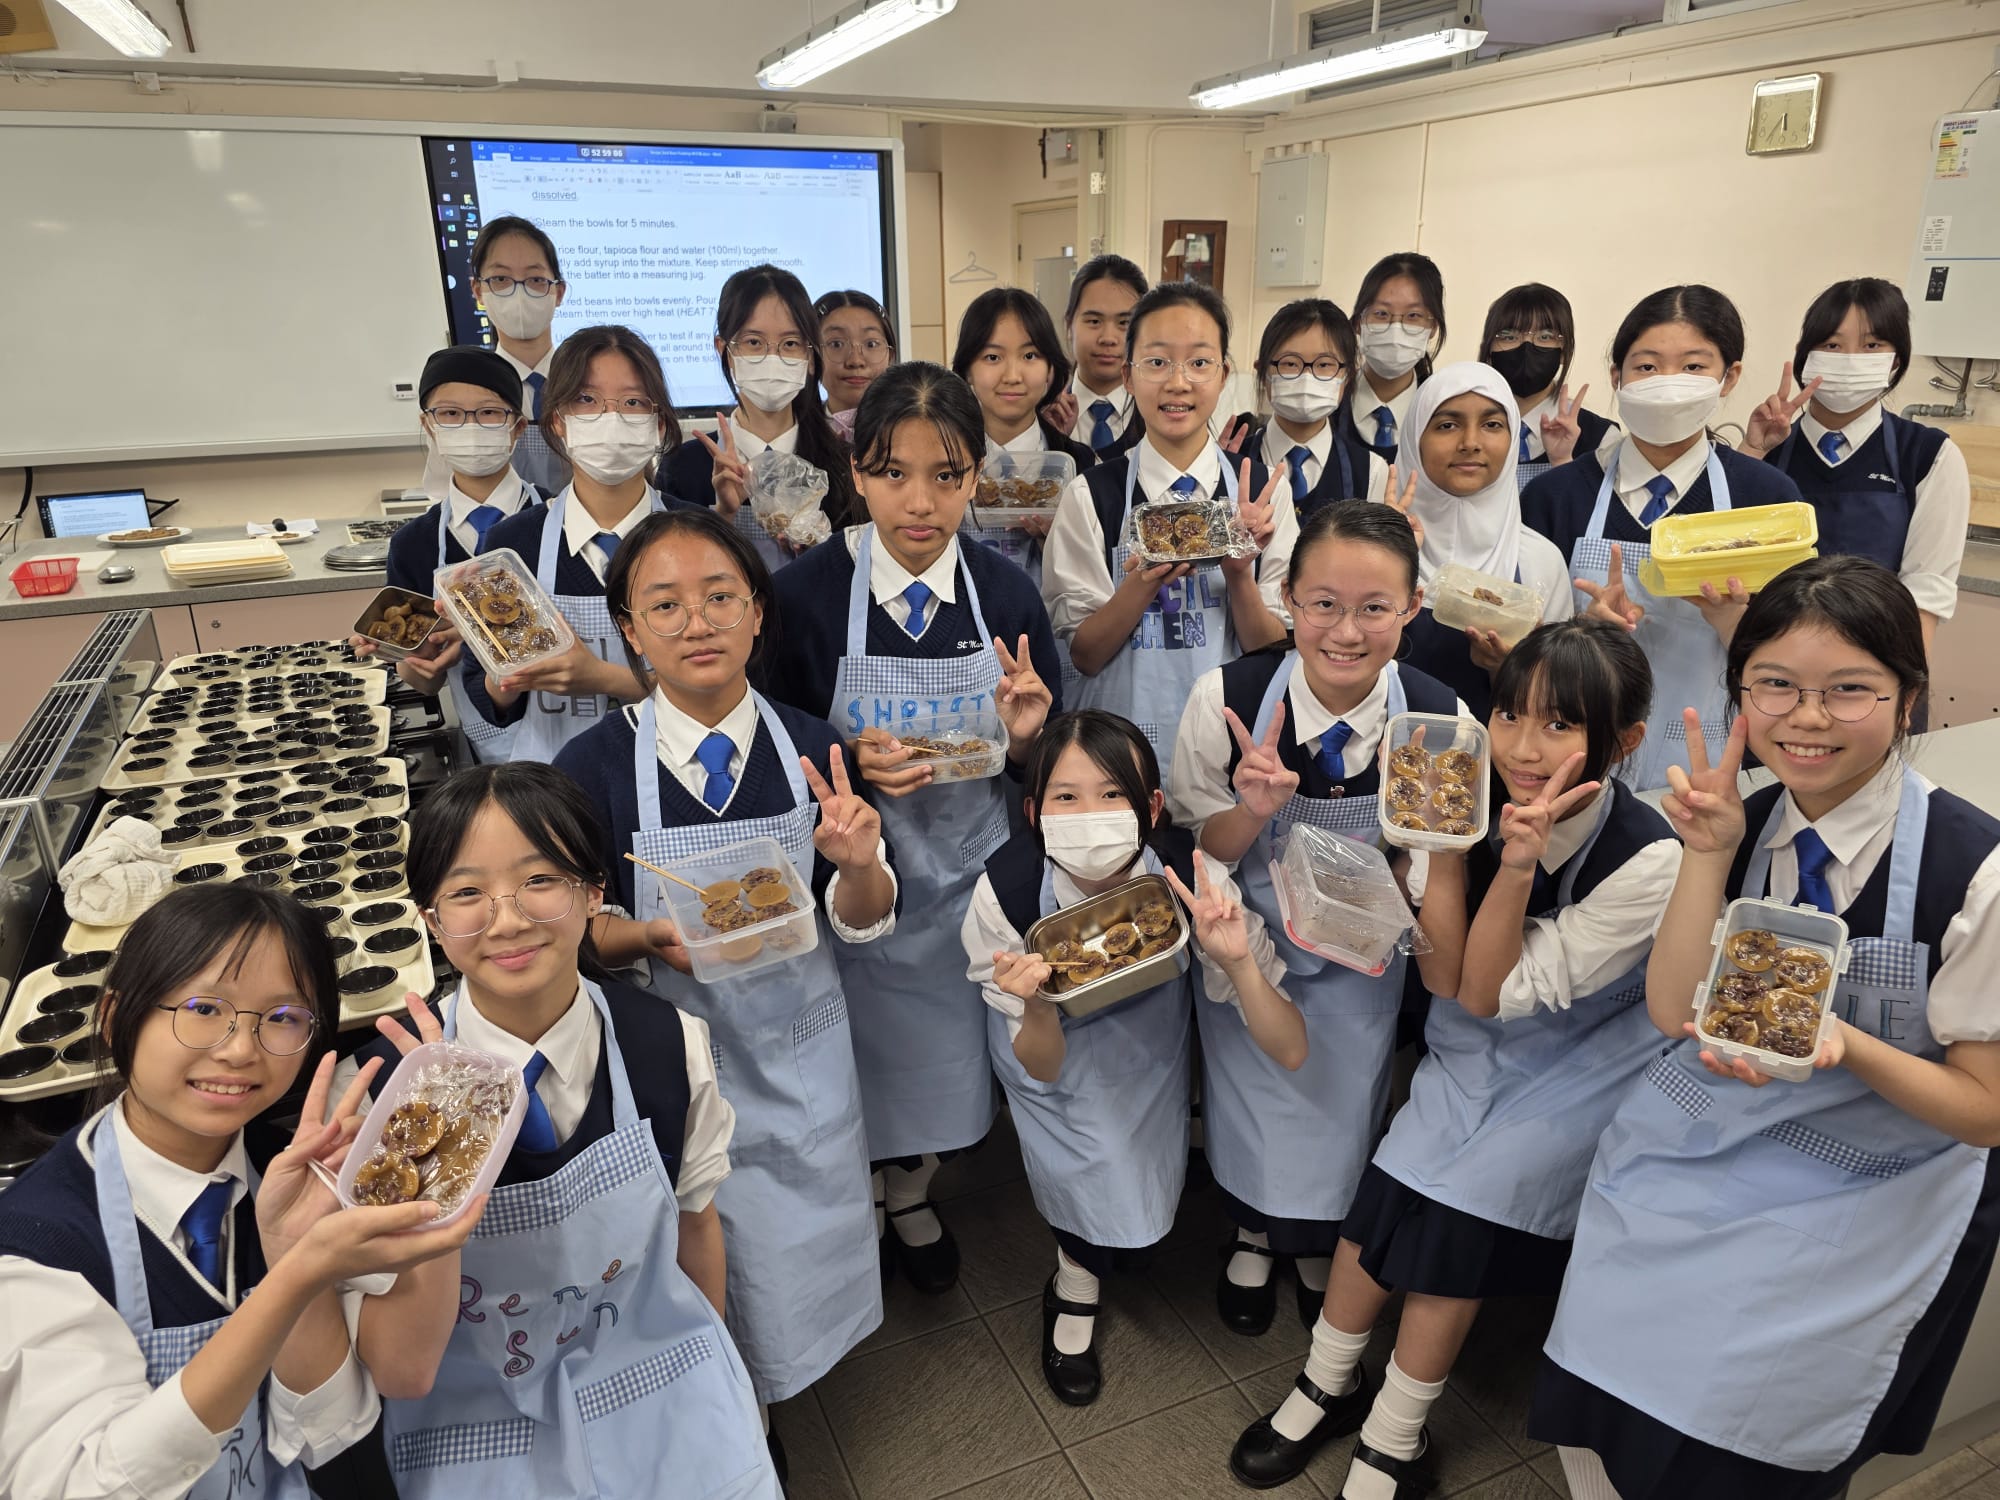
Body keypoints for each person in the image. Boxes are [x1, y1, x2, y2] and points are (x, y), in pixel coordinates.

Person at [1533, 556, 2000, 1500]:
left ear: (1909, 699)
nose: (1808, 717)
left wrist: (1847, 1044)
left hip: (1876, 1183)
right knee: (1604, 1372)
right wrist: (1706, 855)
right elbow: (1676, 1012)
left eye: (1849, 690)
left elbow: (1985, 1111)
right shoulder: (1736, 820)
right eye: (1775, 685)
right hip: (1709, 1143)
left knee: (1738, 1433)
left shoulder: (1976, 870)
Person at [1231, 620, 1677, 1496]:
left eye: (1560, 724)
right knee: (1389, 1185)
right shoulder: (1452, 795)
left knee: (1459, 1207)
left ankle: (1396, 1433)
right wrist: (1439, 854)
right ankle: (1327, 1382)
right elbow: (1442, 979)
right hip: (1475, 1050)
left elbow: (1485, 990)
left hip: (1584, 1071)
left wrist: (1512, 871)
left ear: (1623, 741)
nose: (1523, 748)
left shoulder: (1649, 859)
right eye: (1510, 715)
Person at [552, 507, 890, 1432]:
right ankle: (727, 1414)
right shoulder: (590, 768)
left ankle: (776, 1391)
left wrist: (859, 863)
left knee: (792, 1246)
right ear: (629, 630)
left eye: (720, 598)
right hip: (669, 1055)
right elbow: (573, 934)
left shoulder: (815, 745)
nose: (696, 624)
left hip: (800, 1047)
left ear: (758, 614)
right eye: (664, 605)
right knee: (693, 1242)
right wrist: (643, 939)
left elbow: (863, 920)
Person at [364, 761, 781, 1498]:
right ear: (430, 920)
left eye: (540, 880)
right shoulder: (384, 1090)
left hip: (649, 1367)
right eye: (467, 892)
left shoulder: (668, 1045)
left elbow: (695, 1221)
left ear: (593, 892)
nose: (507, 920)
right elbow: (396, 1361)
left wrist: (716, 1370)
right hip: (473, 1407)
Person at [0, 885, 480, 1500]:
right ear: (118, 1019)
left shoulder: (291, 1176)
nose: (238, 1051)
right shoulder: (35, 1247)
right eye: (203, 1008)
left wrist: (439, 1164)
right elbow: (86, 1486)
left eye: (282, 1018)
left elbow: (333, 1429)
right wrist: (296, 1277)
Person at [764, 362, 1061, 1294]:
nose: (921, 502)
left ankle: (912, 1189)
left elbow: (1042, 764)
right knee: (858, 1059)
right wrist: (849, 761)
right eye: (894, 473)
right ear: (856, 472)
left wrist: (1026, 738)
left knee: (948, 1068)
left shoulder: (1004, 596)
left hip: (970, 879)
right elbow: (773, 737)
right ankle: (861, 1193)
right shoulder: (806, 595)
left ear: (977, 476)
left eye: (947, 474)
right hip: (854, 879)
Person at [1168, 502, 1463, 1338]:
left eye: (1375, 608)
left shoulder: (1439, 720)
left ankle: (1315, 1237)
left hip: (1364, 963)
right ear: (1288, 598)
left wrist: (1404, 875)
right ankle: (1252, 1233)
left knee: (1342, 1105)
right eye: (1323, 603)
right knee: (1251, 1099)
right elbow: (1202, 844)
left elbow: (1435, 861)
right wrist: (1251, 811)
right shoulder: (1227, 698)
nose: (1346, 631)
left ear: (1413, 607)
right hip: (1250, 942)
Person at [965, 710, 1305, 1406]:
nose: (1090, 815)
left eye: (1112, 793)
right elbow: (1041, 1064)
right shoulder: (1005, 891)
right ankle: (1074, 1281)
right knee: (1076, 1176)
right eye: (1066, 796)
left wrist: (1239, 963)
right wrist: (1037, 1002)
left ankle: (1109, 1250)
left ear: (1151, 808)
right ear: (1033, 813)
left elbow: (1291, 1047)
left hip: (1148, 1058)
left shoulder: (1189, 879)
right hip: (1048, 1064)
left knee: (1137, 1178)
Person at [1520, 284, 1805, 791]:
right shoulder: (1555, 496)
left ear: (1729, 376)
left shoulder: (1765, 498)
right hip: (1572, 760)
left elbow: (1800, 663)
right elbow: (1518, 651)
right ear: (1617, 377)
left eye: (1693, 367)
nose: (1669, 384)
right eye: (1647, 366)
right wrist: (1580, 631)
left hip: (1711, 762)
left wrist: (1733, 623)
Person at [1042, 280, 1293, 779]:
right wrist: (1142, 582)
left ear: (1223, 375)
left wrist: (1239, 574)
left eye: (1199, 362)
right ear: (1128, 376)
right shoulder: (1091, 495)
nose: (1178, 383)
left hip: (1231, 752)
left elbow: (1271, 652)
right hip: (1115, 758)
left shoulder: (1264, 494)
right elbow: (1084, 655)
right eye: (1157, 362)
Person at [459, 324, 686, 764]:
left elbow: (725, 683)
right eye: (586, 399)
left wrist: (602, 678)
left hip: (675, 773)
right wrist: (502, 661)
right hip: (555, 781)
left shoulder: (698, 535)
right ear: (557, 420)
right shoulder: (513, 543)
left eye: (633, 402)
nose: (610, 418)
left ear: (658, 424)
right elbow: (490, 700)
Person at [1738, 277, 1972, 654]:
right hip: (1770, 656)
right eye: (1832, 345)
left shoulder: (1929, 455)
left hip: (1875, 657)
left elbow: (1926, 593)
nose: (1850, 359)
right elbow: (1724, 556)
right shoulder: (1767, 450)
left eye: (1872, 345)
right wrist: (1751, 452)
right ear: (1805, 355)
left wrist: (1903, 682)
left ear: (1896, 360)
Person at [371, 345, 543, 757]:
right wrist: (415, 655)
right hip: (487, 750)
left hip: (577, 730)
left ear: (517, 427)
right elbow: (425, 682)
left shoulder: (560, 520)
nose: (470, 427)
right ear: (428, 425)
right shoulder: (414, 544)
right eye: (450, 413)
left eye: (489, 413)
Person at [1394, 362, 1575, 721]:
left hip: (1500, 753)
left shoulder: (1539, 560)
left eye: (1492, 425)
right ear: (1415, 438)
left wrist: (1507, 670)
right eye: (1447, 425)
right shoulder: (1371, 550)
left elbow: (1558, 702)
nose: (1470, 443)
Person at [663, 264, 860, 573]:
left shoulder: (845, 468)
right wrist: (723, 516)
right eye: (754, 342)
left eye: (790, 344)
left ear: (810, 356)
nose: (772, 357)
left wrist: (819, 552)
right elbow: (670, 574)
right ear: (724, 350)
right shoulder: (682, 470)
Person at [949, 286, 1097, 601]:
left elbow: (1097, 581)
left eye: (1030, 356)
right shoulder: (944, 463)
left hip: (1052, 627)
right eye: (992, 357)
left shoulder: (1081, 463)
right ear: (968, 370)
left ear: (1050, 369)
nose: (1013, 375)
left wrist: (1062, 544)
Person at [1233, 297, 1386, 516]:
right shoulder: (1229, 462)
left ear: (1348, 375)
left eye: (1324, 364)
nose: (1306, 376)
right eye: (1290, 363)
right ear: (1262, 371)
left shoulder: (1371, 472)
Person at [1476, 282, 1617, 494]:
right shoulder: (1465, 429)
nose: (1526, 347)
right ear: (1488, 349)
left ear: (1564, 351)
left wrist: (1563, 462)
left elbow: (1604, 512)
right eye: (1509, 336)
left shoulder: (1602, 438)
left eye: (1544, 337)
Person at [470, 215, 571, 494]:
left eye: (535, 279)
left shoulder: (587, 385)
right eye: (501, 279)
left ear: (558, 292)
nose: (519, 292)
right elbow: (447, 495)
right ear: (478, 290)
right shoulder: (465, 393)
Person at [1342, 253, 1446, 463]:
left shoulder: (1444, 412)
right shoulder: (1326, 405)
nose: (1396, 329)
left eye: (1413, 316)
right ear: (1358, 323)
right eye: (1381, 314)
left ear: (1433, 327)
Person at [1048, 254, 1149, 457]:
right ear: (1069, 325)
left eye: (1124, 323)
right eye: (1094, 321)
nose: (1108, 338)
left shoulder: (1159, 418)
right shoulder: (1044, 416)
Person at [815, 288, 897, 438]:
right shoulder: (797, 434)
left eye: (871, 344)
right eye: (836, 344)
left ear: (890, 356)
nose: (855, 361)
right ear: (812, 357)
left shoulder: (913, 427)